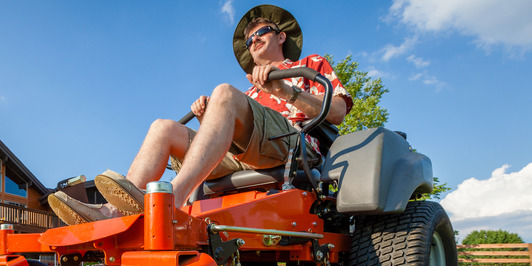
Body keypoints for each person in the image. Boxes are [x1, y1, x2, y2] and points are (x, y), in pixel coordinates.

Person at [48, 4, 353, 226]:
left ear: (280, 36)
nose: (254, 41)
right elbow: (221, 141)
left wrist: (284, 90)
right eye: (249, 40)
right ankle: (113, 213)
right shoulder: (250, 95)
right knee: (163, 127)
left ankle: (170, 201)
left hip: (294, 143)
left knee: (223, 91)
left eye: (260, 33)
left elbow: (337, 112)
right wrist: (209, 117)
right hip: (249, 151)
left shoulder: (311, 64)